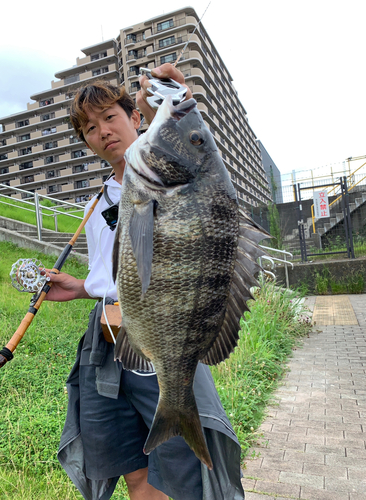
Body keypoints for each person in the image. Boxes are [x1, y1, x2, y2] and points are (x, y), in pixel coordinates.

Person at [45, 64, 245, 500]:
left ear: (135, 118)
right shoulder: (96, 201)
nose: (103, 132)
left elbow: (201, 167)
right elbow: (116, 275)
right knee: (133, 470)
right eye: (90, 128)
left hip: (164, 338)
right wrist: (79, 287)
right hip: (106, 345)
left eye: (110, 117)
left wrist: (174, 99)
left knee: (180, 474)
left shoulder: (170, 182)